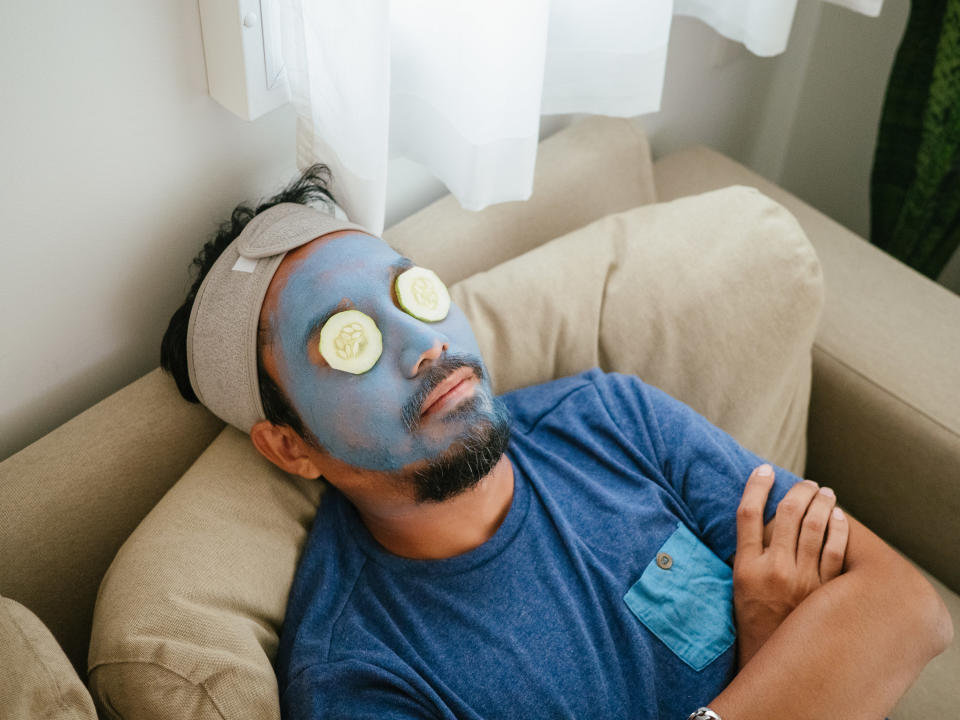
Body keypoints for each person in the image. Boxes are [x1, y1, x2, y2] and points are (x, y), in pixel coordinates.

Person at [161, 166, 952, 720]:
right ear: (290, 448)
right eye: (348, 341)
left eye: (413, 292)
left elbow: (909, 610)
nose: (424, 343)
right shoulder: (361, 675)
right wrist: (769, 647)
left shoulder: (608, 415)